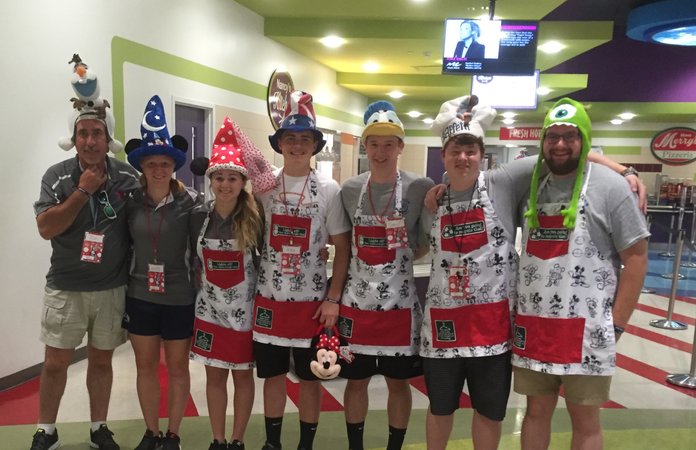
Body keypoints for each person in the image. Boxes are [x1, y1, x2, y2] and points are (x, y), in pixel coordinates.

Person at [512, 98, 649, 449]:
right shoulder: (530, 182)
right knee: (535, 413)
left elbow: (636, 257)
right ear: (543, 140)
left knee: (585, 420)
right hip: (534, 325)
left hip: (587, 329)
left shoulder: (611, 188)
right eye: (552, 136)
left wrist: (617, 324)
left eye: (570, 136)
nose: (560, 144)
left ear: (584, 139)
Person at [31, 55, 138, 450]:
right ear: (74, 138)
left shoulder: (127, 176)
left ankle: (98, 428)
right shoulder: (56, 176)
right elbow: (46, 228)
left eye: (97, 133)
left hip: (111, 288)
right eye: (83, 134)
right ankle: (46, 429)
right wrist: (82, 191)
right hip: (65, 287)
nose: (91, 141)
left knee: (102, 361)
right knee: (55, 363)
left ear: (108, 139)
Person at [252, 90, 351, 450]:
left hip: (312, 302)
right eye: (290, 138)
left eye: (304, 139)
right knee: (273, 376)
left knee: (311, 377)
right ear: (279, 144)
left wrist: (333, 298)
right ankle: (273, 443)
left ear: (315, 145)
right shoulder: (264, 187)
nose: (297, 145)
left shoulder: (329, 189)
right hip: (269, 299)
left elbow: (343, 247)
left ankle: (305, 445)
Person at [338, 101, 434, 450]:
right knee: (356, 381)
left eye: (389, 144)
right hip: (356, 305)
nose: (381, 152)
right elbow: (344, 242)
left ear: (400, 147)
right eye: (374, 144)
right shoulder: (350, 189)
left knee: (398, 383)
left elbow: (424, 243)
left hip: (399, 306)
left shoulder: (419, 186)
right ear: (365, 146)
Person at [122, 95, 204, 450]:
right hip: (140, 297)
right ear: (142, 165)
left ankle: (173, 433)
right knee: (144, 368)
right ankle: (151, 431)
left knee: (178, 369)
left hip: (179, 298)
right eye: (151, 163)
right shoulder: (130, 202)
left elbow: (202, 252)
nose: (158, 169)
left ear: (174, 165)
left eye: (165, 163)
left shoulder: (192, 203)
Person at [188, 117, 265, 450]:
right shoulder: (198, 217)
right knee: (215, 376)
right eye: (219, 177)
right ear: (210, 181)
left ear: (242, 181)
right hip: (209, 312)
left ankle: (237, 440)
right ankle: (218, 439)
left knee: (243, 376)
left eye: (232, 178)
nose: (225, 184)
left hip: (245, 315)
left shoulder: (256, 216)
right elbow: (191, 262)